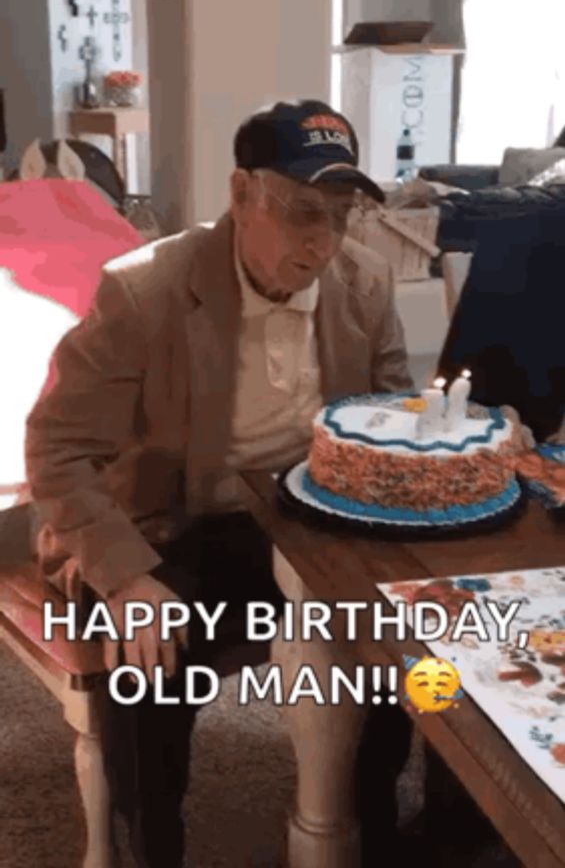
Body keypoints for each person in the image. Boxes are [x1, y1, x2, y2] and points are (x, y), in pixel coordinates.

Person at [25, 99, 414, 868]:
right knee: (149, 670)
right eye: (304, 213)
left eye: (340, 217)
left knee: (395, 657)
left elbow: (387, 419)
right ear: (241, 197)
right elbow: (58, 445)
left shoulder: (364, 287)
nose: (324, 242)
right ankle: (152, 845)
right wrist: (127, 577)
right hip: (170, 524)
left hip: (308, 521)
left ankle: (371, 829)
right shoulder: (144, 292)